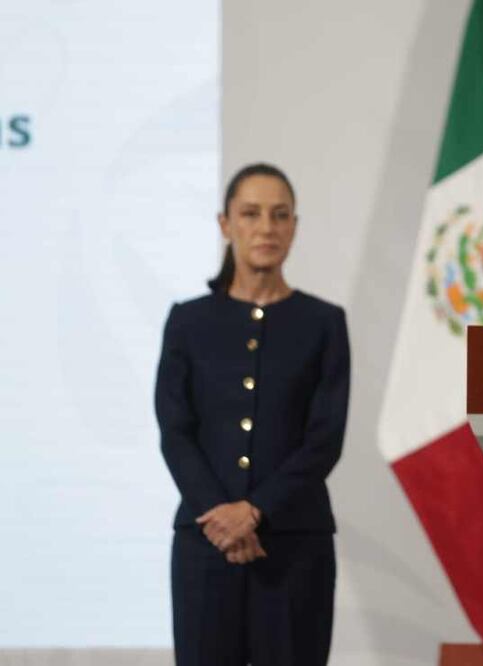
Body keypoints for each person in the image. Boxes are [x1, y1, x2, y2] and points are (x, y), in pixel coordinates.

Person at [155, 163, 350, 665]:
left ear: (294, 227)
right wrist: (224, 521)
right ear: (226, 225)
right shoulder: (188, 321)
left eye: (280, 215)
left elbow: (324, 439)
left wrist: (255, 511)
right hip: (205, 544)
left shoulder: (324, 323)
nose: (266, 227)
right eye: (251, 213)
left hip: (293, 547)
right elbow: (175, 432)